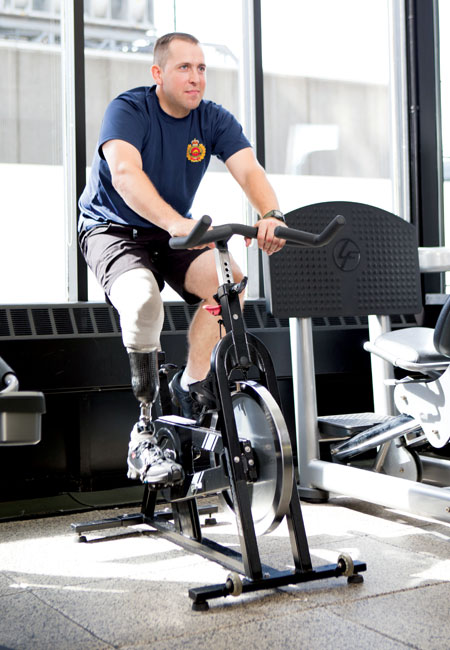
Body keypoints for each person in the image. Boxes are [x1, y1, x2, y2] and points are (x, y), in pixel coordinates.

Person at [78, 32, 285, 488]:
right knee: (141, 301)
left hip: (172, 228)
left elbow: (248, 168)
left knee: (229, 279)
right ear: (158, 74)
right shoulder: (129, 110)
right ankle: (146, 429)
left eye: (201, 68)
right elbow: (126, 175)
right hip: (113, 228)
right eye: (183, 68)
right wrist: (176, 224)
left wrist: (270, 212)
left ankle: (191, 382)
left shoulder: (211, 119)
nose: (195, 78)